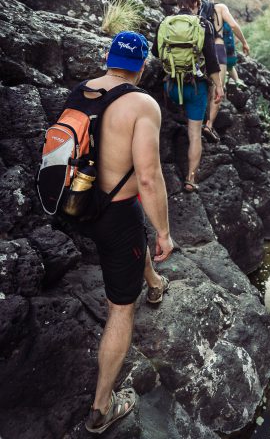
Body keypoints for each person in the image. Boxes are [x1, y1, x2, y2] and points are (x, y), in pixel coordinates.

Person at [80, 31, 174, 434]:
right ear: (142, 67)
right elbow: (149, 179)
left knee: (131, 224)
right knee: (121, 307)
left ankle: (152, 280)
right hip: (115, 215)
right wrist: (165, 233)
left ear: (108, 56)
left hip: (79, 204)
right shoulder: (141, 103)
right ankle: (102, 408)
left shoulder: (80, 91)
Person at [152, 0, 224, 193]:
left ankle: (157, 171)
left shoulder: (165, 22)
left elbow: (155, 52)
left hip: (171, 87)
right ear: (195, 4)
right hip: (195, 88)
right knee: (194, 134)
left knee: (162, 125)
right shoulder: (203, 24)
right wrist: (219, 87)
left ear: (178, 4)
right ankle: (190, 179)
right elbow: (212, 62)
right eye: (199, 6)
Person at [198, 0, 250, 142]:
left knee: (204, 85)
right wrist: (244, 42)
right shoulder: (219, 7)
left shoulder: (197, 8)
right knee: (218, 88)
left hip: (200, 50)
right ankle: (209, 125)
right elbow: (233, 26)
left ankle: (197, 121)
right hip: (218, 48)